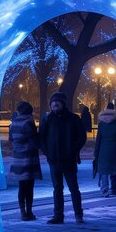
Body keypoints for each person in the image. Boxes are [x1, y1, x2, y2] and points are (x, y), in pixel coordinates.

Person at [39, 92, 87, 224]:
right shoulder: (48, 119)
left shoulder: (73, 119)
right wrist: (48, 153)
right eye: (52, 102)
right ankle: (58, 215)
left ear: (63, 103)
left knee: (73, 188)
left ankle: (78, 214)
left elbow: (82, 137)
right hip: (54, 160)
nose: (55, 104)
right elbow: (41, 138)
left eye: (57, 102)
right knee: (57, 189)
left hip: (69, 160)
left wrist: (73, 150)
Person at [9, 101, 43, 221]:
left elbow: (11, 139)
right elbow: (34, 141)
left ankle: (22, 212)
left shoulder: (13, 124)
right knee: (29, 186)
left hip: (17, 157)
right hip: (28, 157)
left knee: (21, 186)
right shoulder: (28, 123)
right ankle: (29, 212)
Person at [94, 102, 116, 197]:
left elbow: (98, 139)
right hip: (114, 149)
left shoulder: (101, 123)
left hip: (103, 149)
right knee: (113, 169)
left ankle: (105, 189)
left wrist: (96, 151)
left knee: (104, 169)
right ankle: (114, 189)